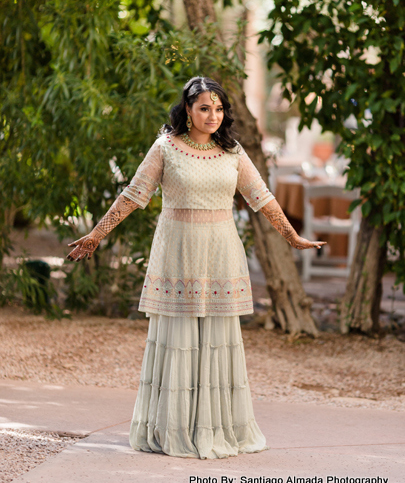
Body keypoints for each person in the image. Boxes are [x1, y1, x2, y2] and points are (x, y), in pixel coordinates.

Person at [67, 76, 325, 460]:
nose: (213, 116)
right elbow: (133, 195)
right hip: (178, 253)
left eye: (219, 109)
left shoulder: (233, 152)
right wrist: (96, 234)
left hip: (220, 253)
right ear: (187, 110)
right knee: (180, 338)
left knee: (217, 338)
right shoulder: (166, 148)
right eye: (204, 108)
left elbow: (263, 198)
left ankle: (217, 428)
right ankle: (172, 428)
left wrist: (293, 238)